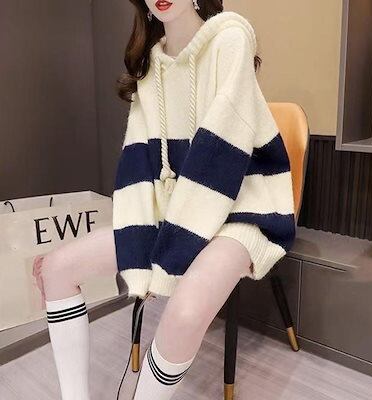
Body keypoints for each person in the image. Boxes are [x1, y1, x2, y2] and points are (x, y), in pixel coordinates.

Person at [32, 1, 296, 399]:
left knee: (184, 313)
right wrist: (143, 255)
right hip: (176, 214)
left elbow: (218, 159)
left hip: (242, 211)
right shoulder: (150, 67)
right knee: (56, 268)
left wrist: (166, 261)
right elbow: (138, 170)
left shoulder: (231, 38)